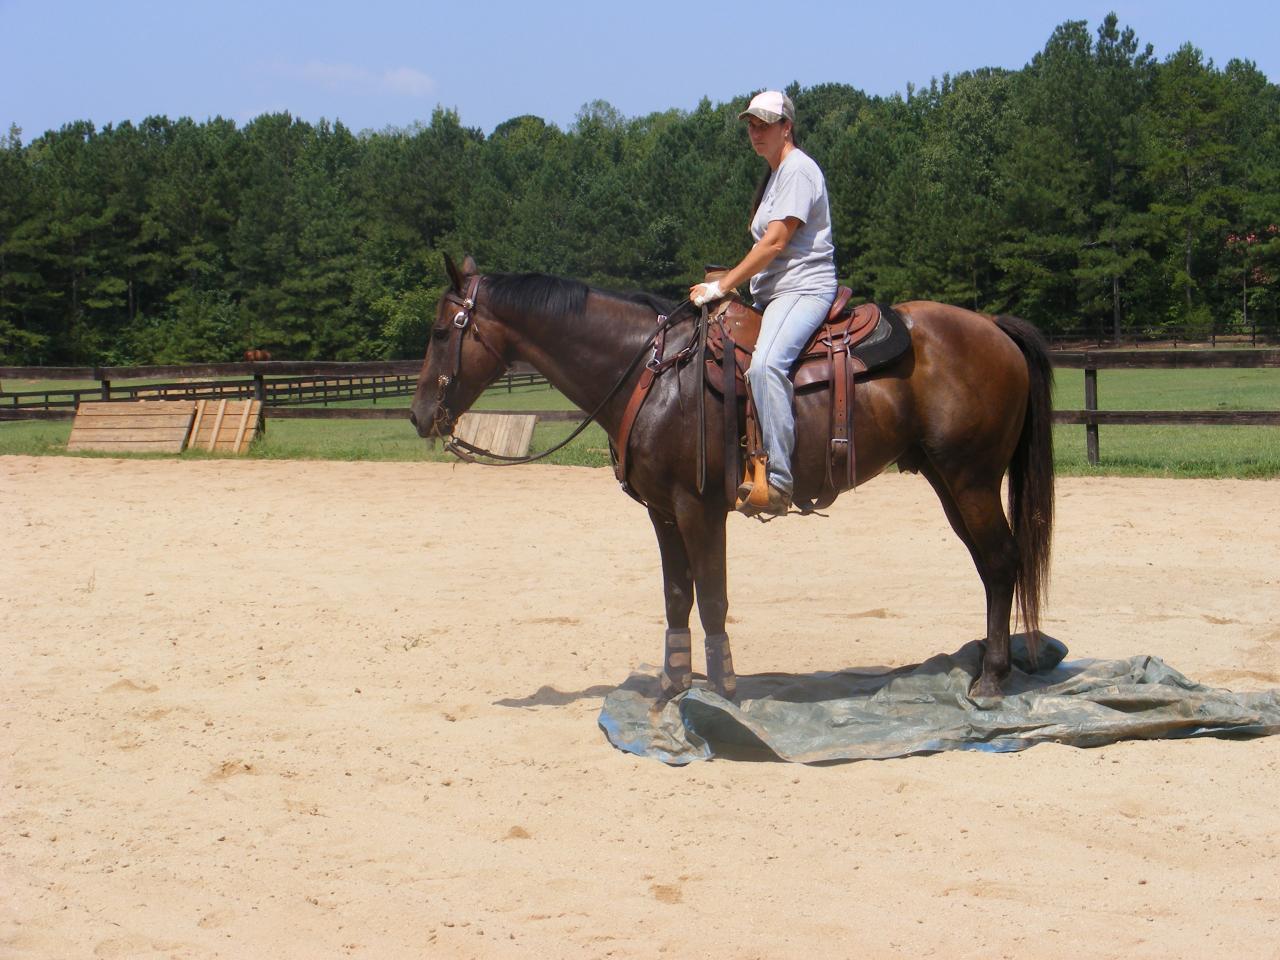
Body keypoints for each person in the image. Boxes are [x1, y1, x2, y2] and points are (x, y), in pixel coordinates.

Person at [690, 90, 837, 517]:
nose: (756, 132)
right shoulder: (775, 175)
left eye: (765, 125)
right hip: (774, 293)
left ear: (786, 127)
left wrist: (722, 286)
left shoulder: (798, 170)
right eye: (751, 125)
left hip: (802, 289)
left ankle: (778, 479)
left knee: (765, 366)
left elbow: (774, 243)